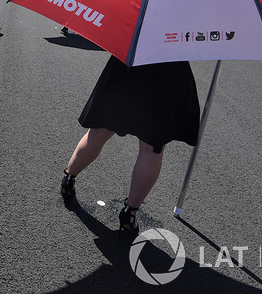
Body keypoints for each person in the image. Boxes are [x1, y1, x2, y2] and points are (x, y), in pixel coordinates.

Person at [60, 56, 200, 236]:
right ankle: (129, 212)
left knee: (99, 131)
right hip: (168, 70)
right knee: (152, 148)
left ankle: (69, 178)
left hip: (130, 59)